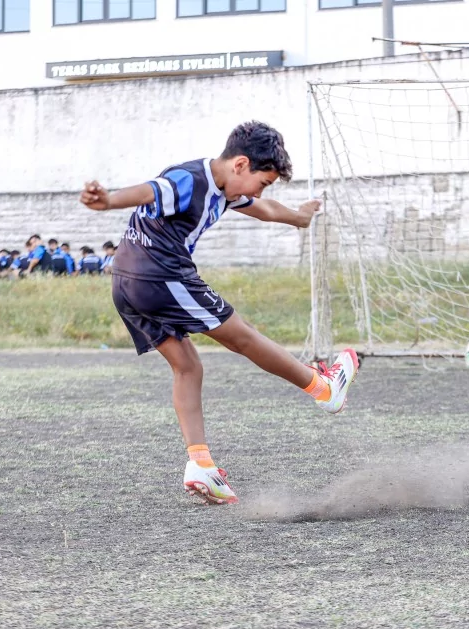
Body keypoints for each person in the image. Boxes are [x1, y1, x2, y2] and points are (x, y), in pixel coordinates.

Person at [79, 120, 359, 505]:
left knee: (188, 366)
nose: (262, 191)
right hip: (161, 277)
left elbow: (262, 208)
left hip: (127, 283)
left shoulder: (226, 187)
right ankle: (323, 388)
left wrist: (299, 217)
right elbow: (151, 190)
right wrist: (108, 200)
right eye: (264, 181)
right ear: (241, 165)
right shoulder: (191, 179)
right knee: (241, 336)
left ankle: (201, 465)